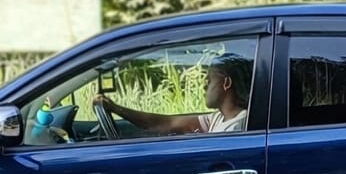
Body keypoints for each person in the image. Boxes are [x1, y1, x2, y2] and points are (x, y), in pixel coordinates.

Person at [94, 54, 251, 135]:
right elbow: (168, 123)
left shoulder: (237, 126)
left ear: (226, 84)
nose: (204, 86)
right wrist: (115, 108)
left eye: (209, 81)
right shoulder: (219, 117)